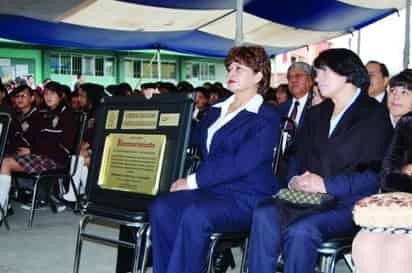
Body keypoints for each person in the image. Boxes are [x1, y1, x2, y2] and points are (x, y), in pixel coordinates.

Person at [247, 48, 393, 273]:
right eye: (317, 72)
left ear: (348, 75)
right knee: (264, 212)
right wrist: (295, 178)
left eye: (325, 72)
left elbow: (373, 174)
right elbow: (294, 155)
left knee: (302, 231)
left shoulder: (373, 114)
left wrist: (325, 184)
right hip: (308, 198)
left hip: (348, 203)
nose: (318, 78)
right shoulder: (316, 113)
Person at [149, 45, 280, 273]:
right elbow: (190, 137)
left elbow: (240, 163)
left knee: (195, 215)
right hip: (212, 190)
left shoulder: (265, 116)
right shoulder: (218, 109)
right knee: (162, 207)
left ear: (259, 76)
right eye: (230, 68)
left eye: (239, 69)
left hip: (246, 196)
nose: (231, 74)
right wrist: (160, 108)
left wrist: (191, 182)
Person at [352, 70, 412, 273]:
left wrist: (398, 173)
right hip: (389, 207)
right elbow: (387, 175)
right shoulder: (385, 122)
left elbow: (388, 179)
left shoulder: (406, 123)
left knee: (396, 248)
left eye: (405, 92)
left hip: (399, 208)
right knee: (365, 243)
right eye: (393, 91)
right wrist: (403, 171)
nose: (395, 97)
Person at [0, 81, 76, 216]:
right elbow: (38, 139)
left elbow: (63, 146)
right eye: (46, 93)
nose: (48, 97)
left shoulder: (67, 115)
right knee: (3, 159)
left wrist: (34, 150)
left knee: (6, 163)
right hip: (40, 155)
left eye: (52, 93)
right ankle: (5, 205)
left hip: (55, 159)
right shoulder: (45, 114)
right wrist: (35, 147)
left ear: (61, 96)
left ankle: (2, 209)